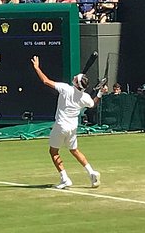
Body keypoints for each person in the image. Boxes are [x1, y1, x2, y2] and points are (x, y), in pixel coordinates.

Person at [31, 55, 106, 189]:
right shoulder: (85, 97)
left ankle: (65, 178)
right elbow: (93, 104)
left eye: (75, 79)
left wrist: (37, 68)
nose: (73, 78)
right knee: (74, 150)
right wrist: (100, 93)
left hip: (60, 126)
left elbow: (45, 81)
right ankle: (91, 173)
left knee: (53, 152)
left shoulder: (65, 88)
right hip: (72, 127)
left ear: (77, 83)